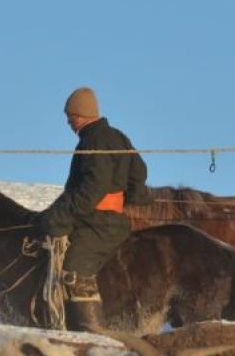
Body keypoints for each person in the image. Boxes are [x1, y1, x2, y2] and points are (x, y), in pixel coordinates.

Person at [34, 87, 150, 333]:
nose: (68, 122)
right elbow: (138, 171)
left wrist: (59, 220)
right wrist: (131, 196)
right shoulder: (118, 136)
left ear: (79, 114)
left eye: (69, 116)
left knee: (74, 271)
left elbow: (91, 188)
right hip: (111, 217)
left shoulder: (92, 141)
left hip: (99, 223)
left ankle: (92, 334)